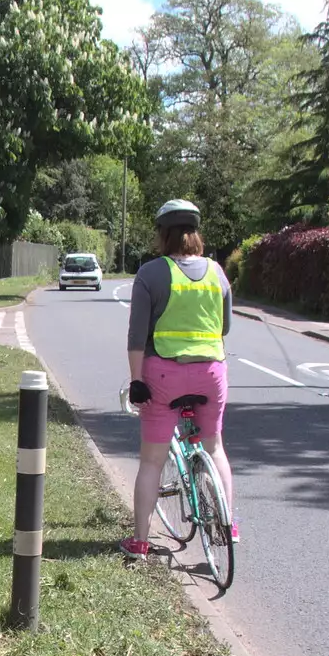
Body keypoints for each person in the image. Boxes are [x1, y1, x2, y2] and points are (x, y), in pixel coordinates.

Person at [122, 198, 237, 559]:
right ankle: (228, 525)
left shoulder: (151, 273)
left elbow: (137, 336)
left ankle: (140, 541)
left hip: (164, 375)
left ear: (163, 234)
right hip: (211, 373)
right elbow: (226, 326)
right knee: (215, 447)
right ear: (195, 234)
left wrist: (136, 380)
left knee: (152, 461)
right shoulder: (218, 272)